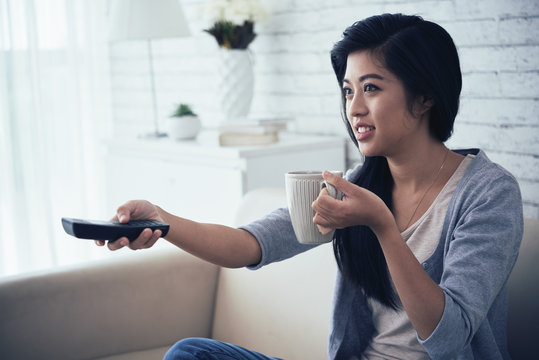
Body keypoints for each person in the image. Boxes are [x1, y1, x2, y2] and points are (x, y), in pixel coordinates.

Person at [96, 13, 523, 360]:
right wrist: (163, 221)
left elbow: (449, 337)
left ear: (425, 96)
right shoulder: (357, 185)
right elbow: (250, 245)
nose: (354, 108)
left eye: (371, 88)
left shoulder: (487, 194)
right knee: (190, 354)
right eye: (347, 90)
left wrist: (382, 227)